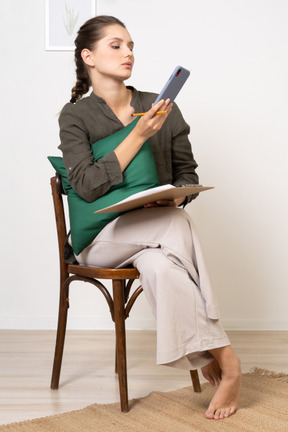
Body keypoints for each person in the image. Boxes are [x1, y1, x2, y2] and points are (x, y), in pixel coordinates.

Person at [58, 15, 241, 420]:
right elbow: (86, 185)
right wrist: (138, 136)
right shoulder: (76, 117)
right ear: (88, 56)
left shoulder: (161, 107)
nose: (129, 53)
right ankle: (228, 361)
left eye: (131, 45)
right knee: (175, 229)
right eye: (116, 45)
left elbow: (186, 172)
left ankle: (201, 350)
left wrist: (174, 199)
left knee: (162, 266)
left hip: (154, 233)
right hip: (101, 242)